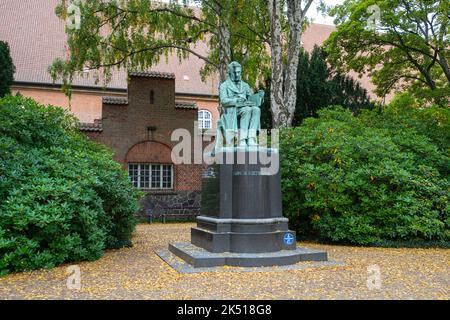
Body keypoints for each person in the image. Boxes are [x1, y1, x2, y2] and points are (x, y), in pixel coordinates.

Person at [219, 61, 264, 147]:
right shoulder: (224, 85)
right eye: (234, 72)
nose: (237, 74)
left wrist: (260, 97)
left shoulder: (245, 85)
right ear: (229, 73)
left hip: (245, 107)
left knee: (256, 110)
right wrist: (236, 101)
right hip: (232, 110)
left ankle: (251, 138)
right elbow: (223, 101)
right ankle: (242, 140)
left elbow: (251, 98)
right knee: (247, 110)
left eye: (239, 72)